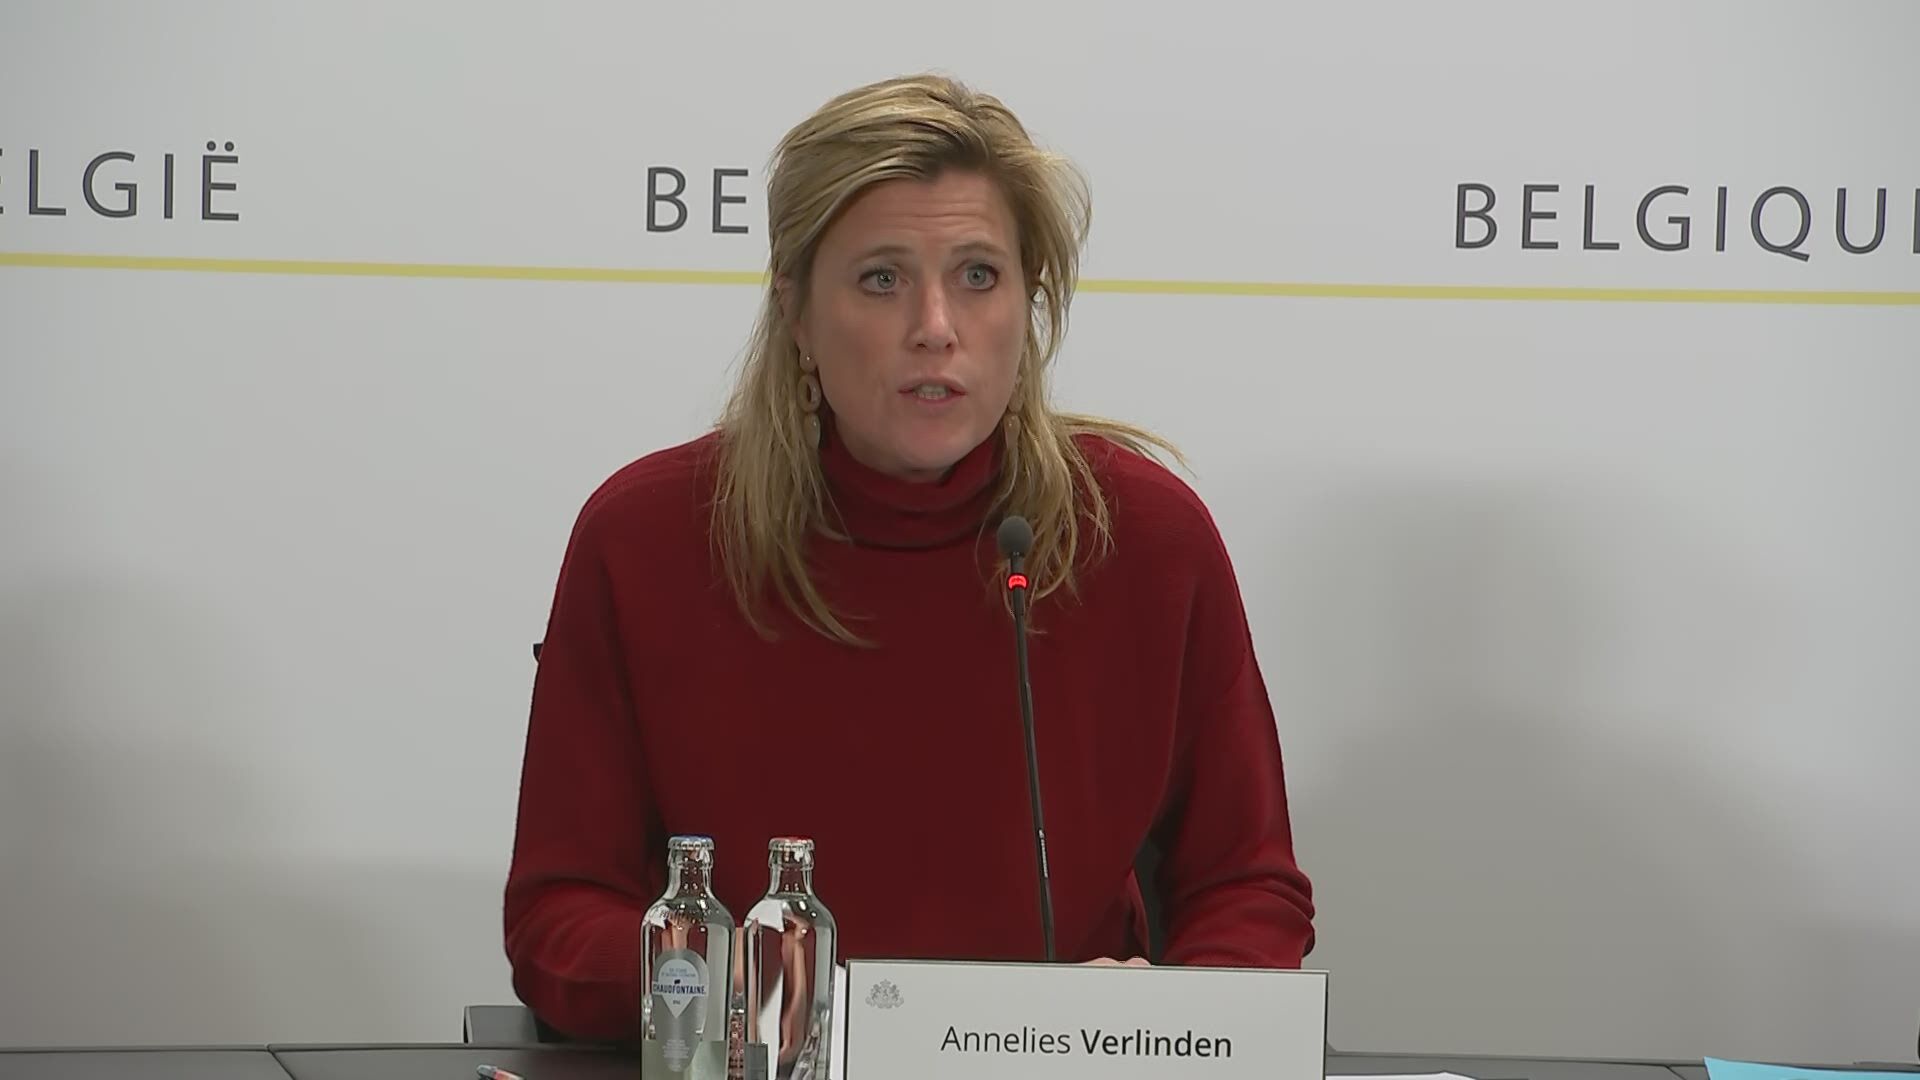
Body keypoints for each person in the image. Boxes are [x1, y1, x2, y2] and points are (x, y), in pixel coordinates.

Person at [502, 72, 1314, 1043]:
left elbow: (1248, 889)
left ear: (1029, 302)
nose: (936, 326)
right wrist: (769, 1002)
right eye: (882, 279)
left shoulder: (1143, 537)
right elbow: (559, 915)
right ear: (797, 311)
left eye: (979, 275)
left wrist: (1153, 1024)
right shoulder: (647, 539)